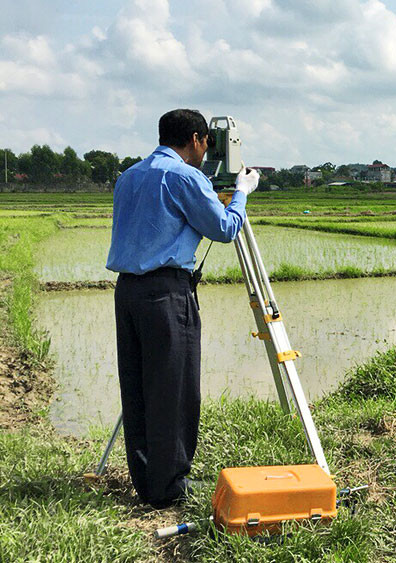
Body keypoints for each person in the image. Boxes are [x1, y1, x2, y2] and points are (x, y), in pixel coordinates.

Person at [106, 109, 259, 508]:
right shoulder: (185, 177)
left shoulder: (130, 176)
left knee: (138, 387)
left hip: (128, 293)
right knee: (173, 389)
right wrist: (241, 191)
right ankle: (169, 487)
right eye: (207, 142)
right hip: (166, 294)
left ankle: (147, 481)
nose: (207, 150)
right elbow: (225, 229)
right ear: (195, 138)